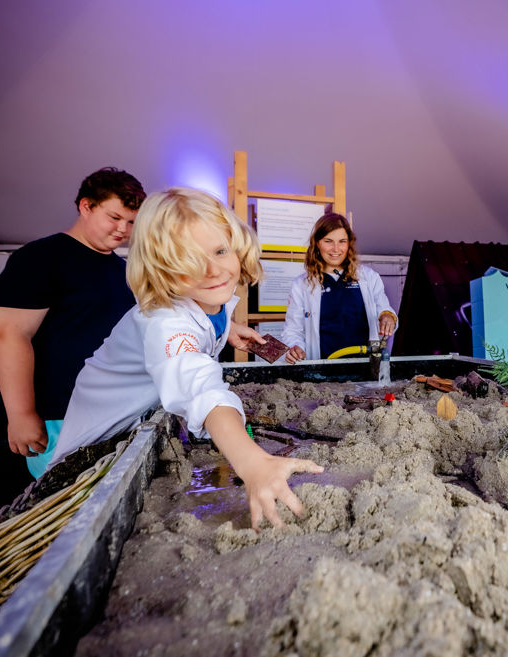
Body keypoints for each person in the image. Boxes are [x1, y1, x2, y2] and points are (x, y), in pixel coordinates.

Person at [49, 188, 322, 530]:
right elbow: (200, 388)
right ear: (160, 270)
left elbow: (206, 319)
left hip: (136, 422)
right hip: (93, 451)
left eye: (221, 251)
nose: (212, 270)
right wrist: (253, 463)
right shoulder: (164, 322)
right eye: (187, 261)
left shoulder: (214, 301)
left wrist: (231, 329)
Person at [0, 167, 146, 478]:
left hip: (114, 415)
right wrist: (21, 415)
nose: (123, 229)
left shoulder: (123, 270)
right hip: (58, 416)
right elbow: (10, 335)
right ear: (86, 206)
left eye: (131, 222)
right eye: (114, 217)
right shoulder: (39, 258)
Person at [283, 213, 397, 363]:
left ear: (349, 243)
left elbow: (384, 309)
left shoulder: (369, 277)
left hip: (365, 368)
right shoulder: (302, 284)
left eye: (342, 241)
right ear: (317, 243)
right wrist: (295, 347)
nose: (336, 249)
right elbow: (293, 330)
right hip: (323, 370)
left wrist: (387, 317)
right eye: (328, 241)